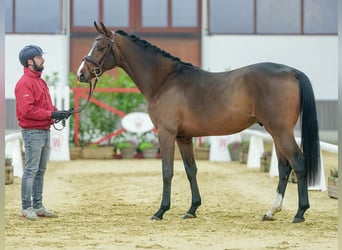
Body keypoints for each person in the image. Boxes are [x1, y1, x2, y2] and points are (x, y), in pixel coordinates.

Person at [15, 45, 72, 221]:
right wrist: (51, 114)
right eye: (40, 57)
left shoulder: (40, 81)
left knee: (40, 170)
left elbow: (46, 106)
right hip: (33, 132)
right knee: (31, 170)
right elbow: (27, 111)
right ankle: (26, 208)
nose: (43, 60)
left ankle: (38, 205)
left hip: (44, 130)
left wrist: (58, 112)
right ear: (30, 61)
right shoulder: (25, 83)